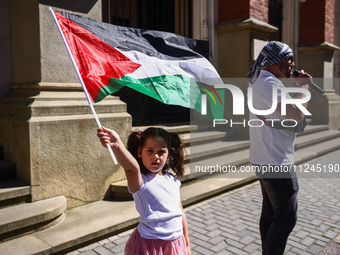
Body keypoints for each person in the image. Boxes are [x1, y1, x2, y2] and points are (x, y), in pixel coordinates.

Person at [247, 41, 313, 255]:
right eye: (290, 60)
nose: (293, 64)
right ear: (280, 61)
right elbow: (297, 116)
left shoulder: (262, 82)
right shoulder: (269, 84)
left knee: (271, 214)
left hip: (264, 158)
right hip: (276, 162)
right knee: (285, 218)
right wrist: (304, 86)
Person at [97, 126, 191, 255]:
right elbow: (132, 168)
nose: (155, 156)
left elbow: (180, 212)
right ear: (140, 152)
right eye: (150, 151)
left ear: (168, 154)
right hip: (149, 245)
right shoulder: (141, 181)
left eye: (161, 152)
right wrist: (117, 145)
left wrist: (187, 243)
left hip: (175, 242)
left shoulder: (173, 181)